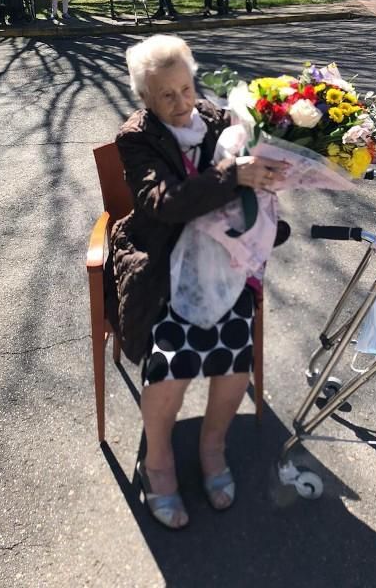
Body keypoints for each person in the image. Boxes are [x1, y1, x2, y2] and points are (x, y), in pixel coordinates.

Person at [105, 35, 288, 529]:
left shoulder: (215, 117)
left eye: (186, 88)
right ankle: (158, 461)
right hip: (162, 261)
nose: (182, 102)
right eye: (166, 95)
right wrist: (234, 176)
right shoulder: (137, 137)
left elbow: (255, 155)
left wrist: (274, 170)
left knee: (233, 355)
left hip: (223, 261)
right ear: (145, 97)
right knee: (172, 364)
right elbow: (163, 204)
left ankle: (212, 446)